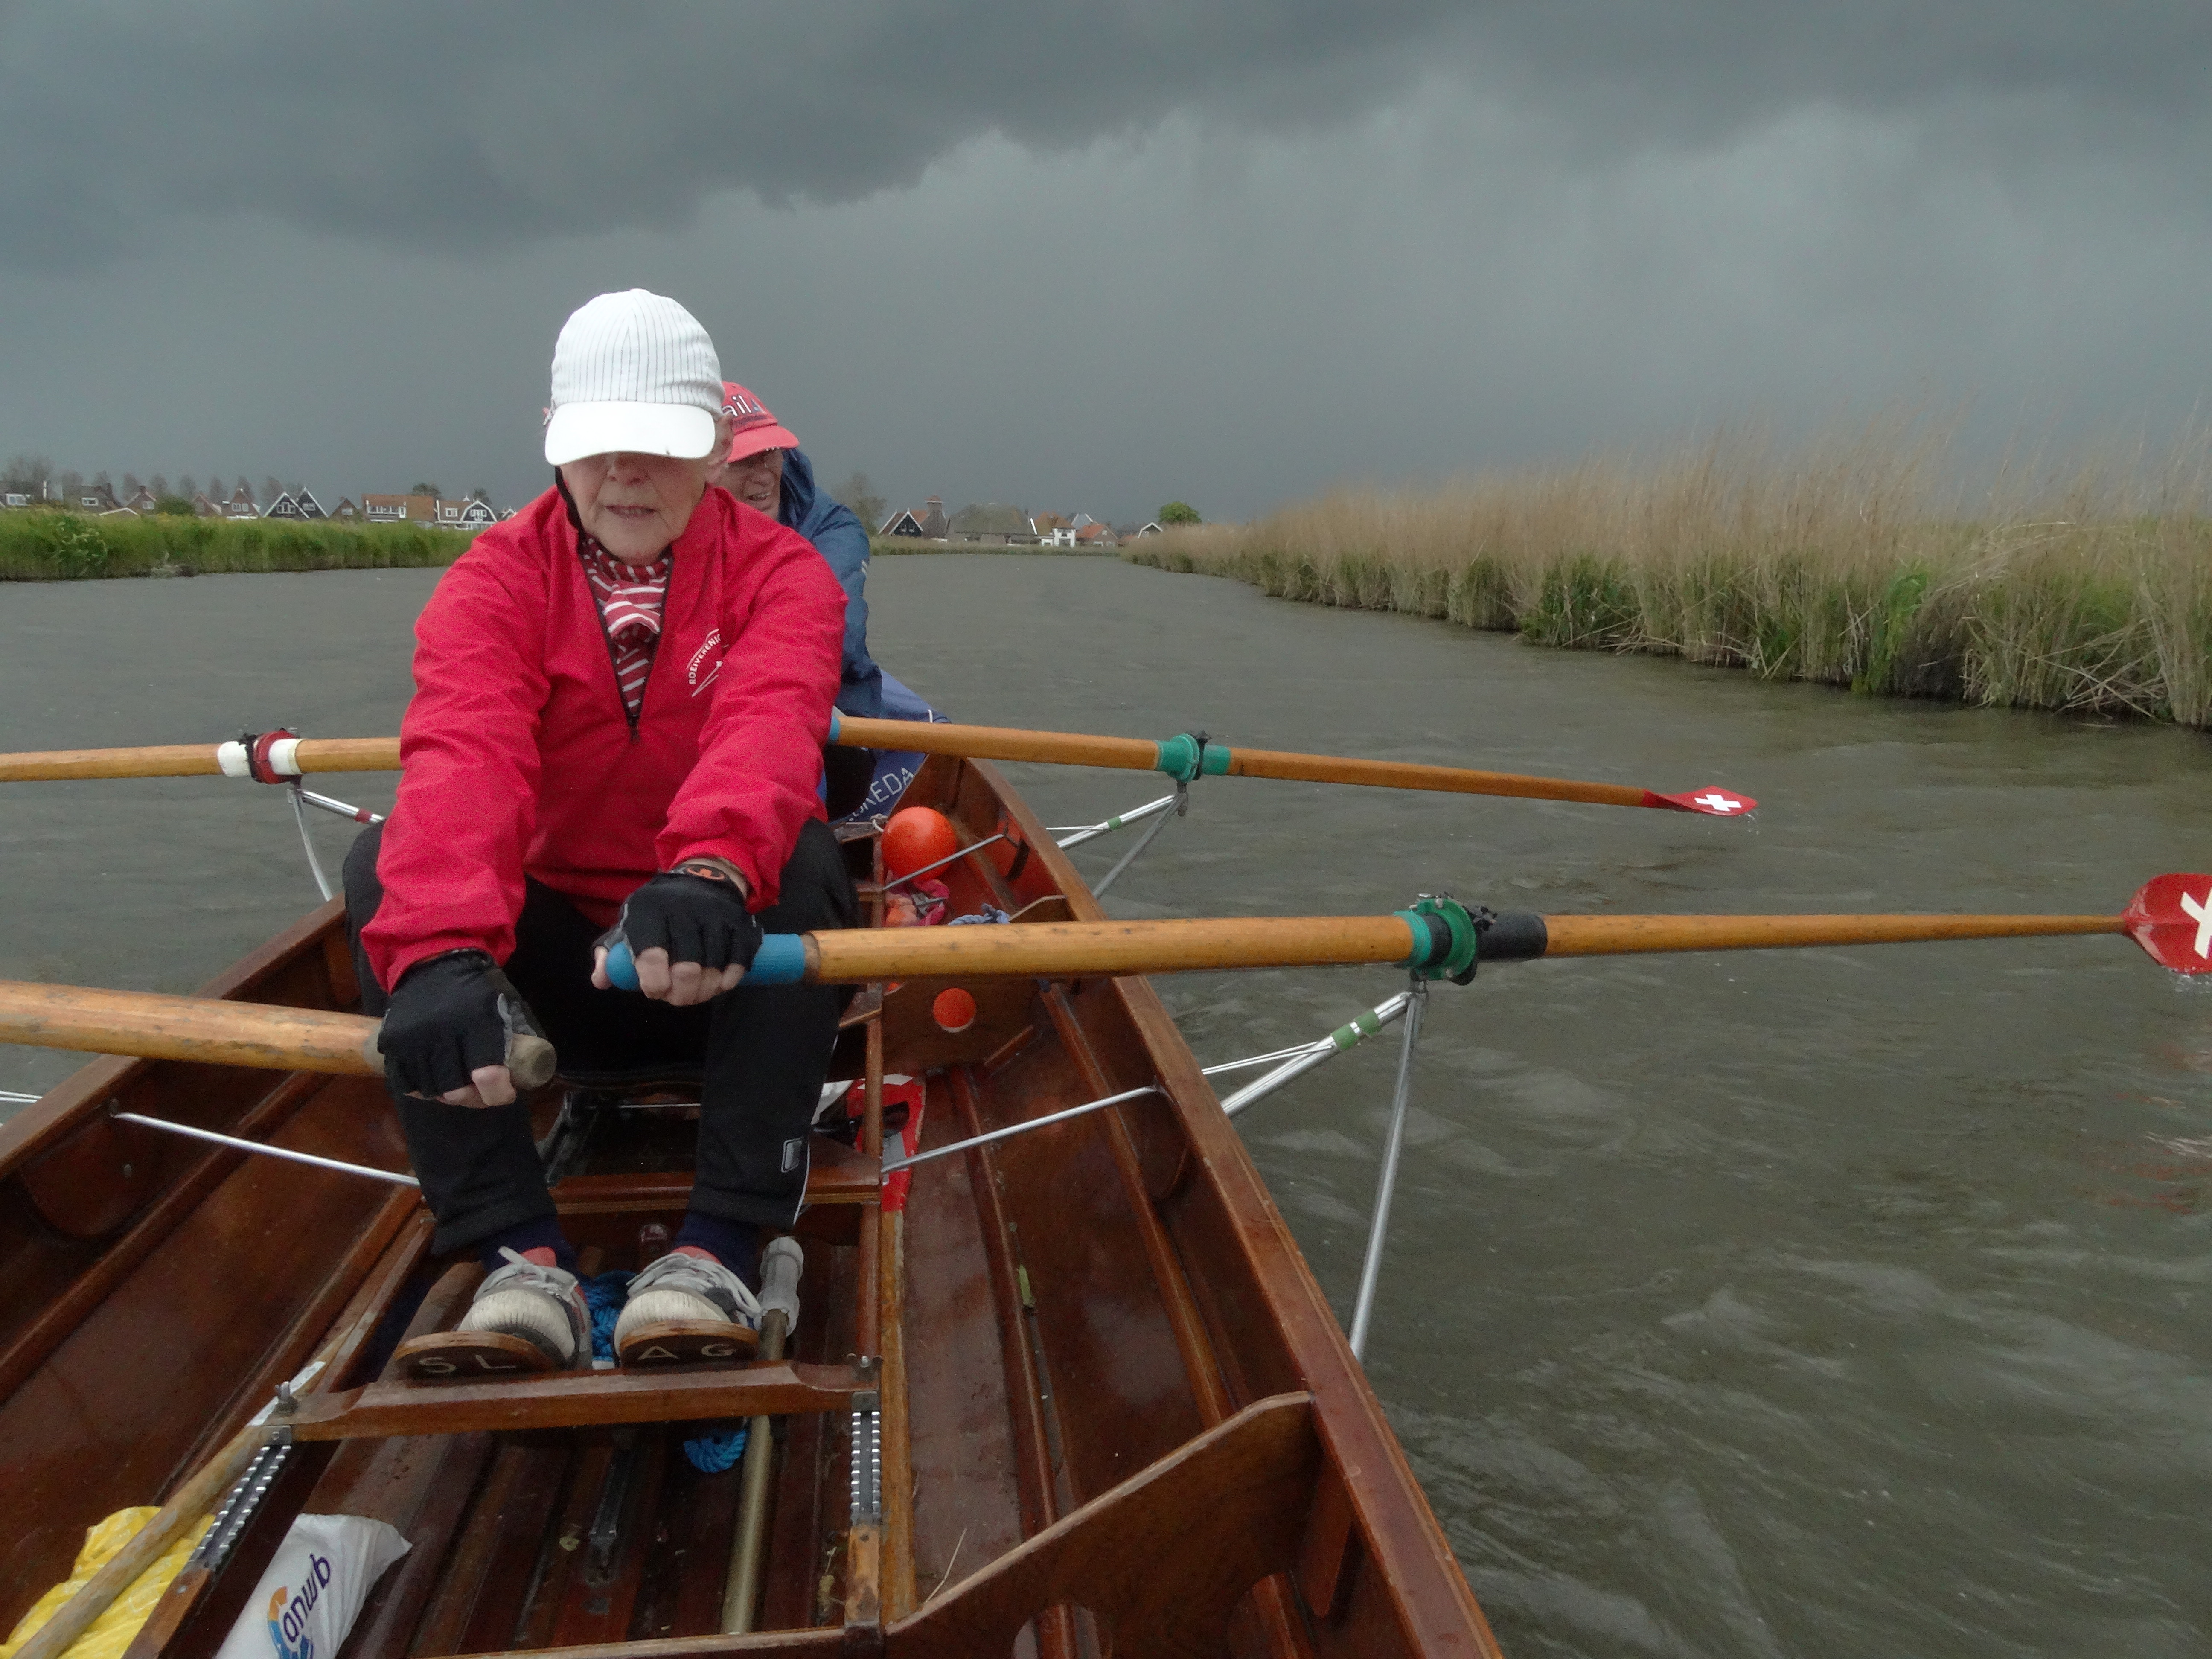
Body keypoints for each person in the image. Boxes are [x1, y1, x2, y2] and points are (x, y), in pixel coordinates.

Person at [343, 289, 857, 1373]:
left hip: (720, 966)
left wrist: (711, 867)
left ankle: (719, 1246)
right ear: (552, 439)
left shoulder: (784, 574)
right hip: (553, 998)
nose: (623, 472)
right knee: (383, 868)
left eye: (657, 445)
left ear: (712, 446)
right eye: (594, 444)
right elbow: (465, 753)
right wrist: (435, 952)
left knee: (808, 858)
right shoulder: (492, 580)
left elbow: (769, 723)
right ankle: (521, 1258)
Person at [711, 384, 943, 821]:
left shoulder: (835, 530)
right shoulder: (678, 520)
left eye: (769, 454)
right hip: (713, 716)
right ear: (704, 466)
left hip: (837, 723)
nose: (762, 475)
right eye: (743, 461)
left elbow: (833, 633)